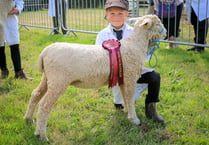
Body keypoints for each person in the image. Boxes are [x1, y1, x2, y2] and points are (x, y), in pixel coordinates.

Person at [95, 0, 164, 124]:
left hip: (133, 70)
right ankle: (122, 102)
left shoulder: (137, 30)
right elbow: (98, 58)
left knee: (154, 77)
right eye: (112, 13)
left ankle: (151, 109)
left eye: (120, 13)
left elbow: (143, 59)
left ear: (127, 15)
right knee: (120, 104)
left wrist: (151, 45)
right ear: (106, 15)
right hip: (113, 74)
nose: (116, 17)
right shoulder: (102, 35)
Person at [0, 0, 32, 79]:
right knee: (0, 44)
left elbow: (19, 1)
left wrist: (18, 9)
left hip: (11, 17)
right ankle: (4, 70)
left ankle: (18, 72)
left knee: (14, 44)